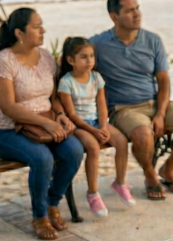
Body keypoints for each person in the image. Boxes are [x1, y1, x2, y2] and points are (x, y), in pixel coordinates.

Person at [0, 8, 83, 240]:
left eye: (42, 26)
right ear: (20, 33)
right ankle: (40, 215)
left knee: (74, 151)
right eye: (37, 27)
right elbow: (8, 107)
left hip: (45, 127)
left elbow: (52, 98)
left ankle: (52, 202)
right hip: (9, 131)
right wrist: (47, 123)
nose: (43, 31)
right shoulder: (3, 61)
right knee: (43, 158)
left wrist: (60, 116)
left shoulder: (46, 58)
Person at [91, 0, 173, 201]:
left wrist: (161, 114)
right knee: (144, 136)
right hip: (124, 109)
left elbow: (163, 80)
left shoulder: (153, 40)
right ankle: (150, 174)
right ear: (114, 16)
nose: (137, 14)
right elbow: (72, 60)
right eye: (129, 10)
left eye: (137, 8)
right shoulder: (98, 45)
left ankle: (168, 168)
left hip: (156, 102)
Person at [57, 36, 133, 213]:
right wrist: (93, 130)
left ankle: (120, 183)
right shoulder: (66, 82)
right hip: (79, 126)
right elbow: (71, 114)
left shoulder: (96, 77)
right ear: (70, 60)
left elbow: (101, 105)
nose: (89, 61)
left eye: (91, 56)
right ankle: (93, 193)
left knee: (121, 141)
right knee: (93, 147)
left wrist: (104, 127)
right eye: (83, 57)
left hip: (97, 122)